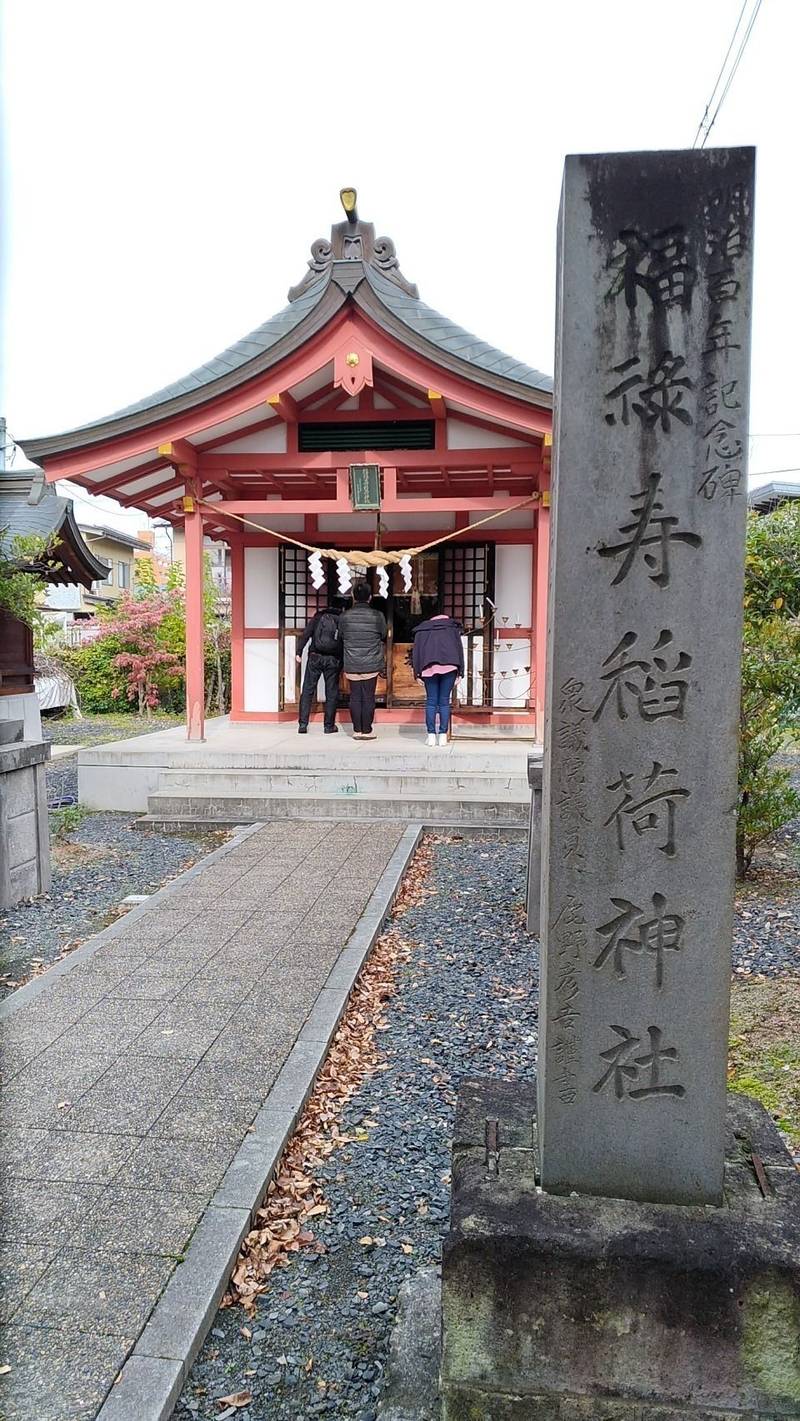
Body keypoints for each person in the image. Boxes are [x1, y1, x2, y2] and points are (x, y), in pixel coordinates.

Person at [338, 580, 387, 739]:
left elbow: (341, 636)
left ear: (353, 596)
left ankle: (357, 730)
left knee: (355, 696)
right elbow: (384, 635)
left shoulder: (345, 616)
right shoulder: (378, 616)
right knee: (368, 696)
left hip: (352, 662)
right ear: (370, 597)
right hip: (371, 662)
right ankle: (366, 730)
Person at [412, 611, 464, 746]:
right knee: (444, 702)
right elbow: (459, 650)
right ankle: (442, 735)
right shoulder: (452, 629)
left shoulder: (423, 629)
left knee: (431, 701)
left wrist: (417, 673)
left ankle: (431, 736)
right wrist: (461, 672)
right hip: (450, 667)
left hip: (429, 668)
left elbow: (416, 652)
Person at [296, 602, 343, 734]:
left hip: (315, 657)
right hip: (333, 659)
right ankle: (329, 726)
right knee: (331, 692)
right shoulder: (341, 619)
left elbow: (306, 634)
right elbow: (344, 640)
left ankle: (303, 724)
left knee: (307, 690)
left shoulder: (318, 617)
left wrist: (299, 652)